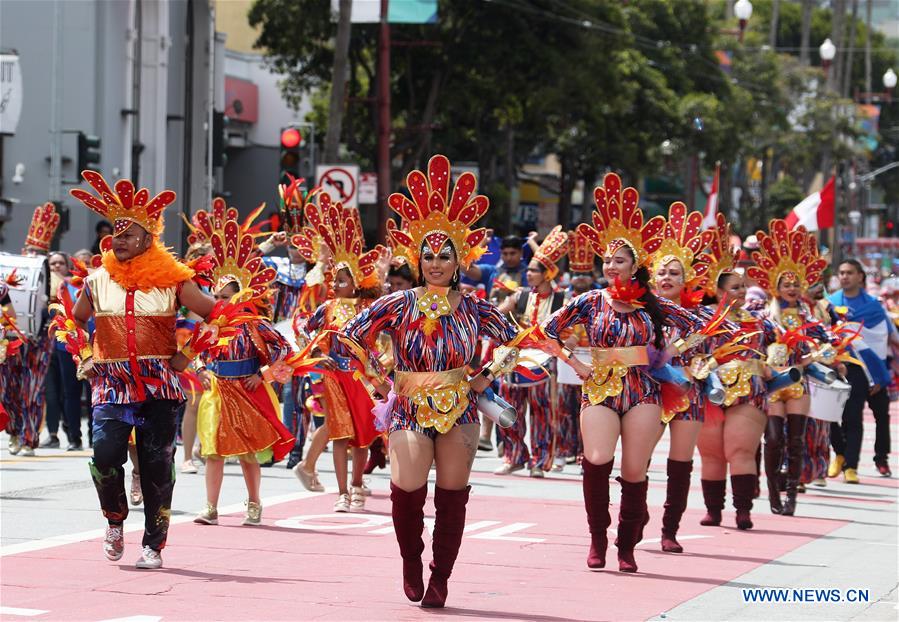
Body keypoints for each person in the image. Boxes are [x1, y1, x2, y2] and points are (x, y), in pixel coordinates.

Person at [341, 155, 528, 608]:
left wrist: (485, 377)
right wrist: (378, 381)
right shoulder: (400, 302)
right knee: (407, 489)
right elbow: (349, 337)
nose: (435, 263)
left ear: (459, 259)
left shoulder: (477, 305)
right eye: (427, 255)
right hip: (407, 406)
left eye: (445, 255)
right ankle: (411, 560)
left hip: (461, 407)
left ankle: (440, 577)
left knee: (452, 495)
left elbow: (514, 343)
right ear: (417, 258)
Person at [542, 173, 704, 573]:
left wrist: (669, 353)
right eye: (608, 260)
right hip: (598, 388)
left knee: (635, 469)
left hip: (643, 391)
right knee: (597, 459)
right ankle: (598, 537)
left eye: (620, 260)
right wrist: (575, 362)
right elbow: (546, 331)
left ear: (635, 266)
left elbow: (702, 327)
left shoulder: (653, 304)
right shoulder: (589, 300)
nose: (612, 266)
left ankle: (627, 545)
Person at [68, 170, 223, 569]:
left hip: (160, 385)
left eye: (128, 235)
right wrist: (83, 354)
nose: (118, 241)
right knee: (104, 457)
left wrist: (189, 354)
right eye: (115, 235)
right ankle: (115, 520)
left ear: (148, 239)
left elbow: (217, 314)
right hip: (112, 384)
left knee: (157, 465)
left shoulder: (174, 281)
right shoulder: (97, 280)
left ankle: (154, 543)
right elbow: (72, 321)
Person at [191, 205, 295, 526]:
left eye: (224, 288)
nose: (217, 292)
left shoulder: (253, 322)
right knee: (213, 451)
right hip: (217, 390)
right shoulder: (211, 320)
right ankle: (210, 507)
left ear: (239, 290)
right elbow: (198, 349)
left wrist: (261, 373)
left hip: (247, 392)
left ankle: (254, 502)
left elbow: (285, 350)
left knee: (249, 452)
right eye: (215, 288)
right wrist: (200, 367)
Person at [648, 204, 740, 550]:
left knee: (681, 462)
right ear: (653, 277)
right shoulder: (643, 311)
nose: (667, 278)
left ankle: (669, 530)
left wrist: (706, 361)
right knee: (637, 460)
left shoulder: (700, 314)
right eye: (662, 272)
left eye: (675, 272)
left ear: (687, 279)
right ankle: (636, 514)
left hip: (689, 392)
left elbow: (731, 335)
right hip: (649, 392)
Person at [295, 196, 382, 512]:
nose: (336, 283)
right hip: (333, 376)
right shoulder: (326, 308)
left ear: (357, 284)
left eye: (342, 279)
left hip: (360, 377)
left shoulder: (366, 308)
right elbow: (304, 329)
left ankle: (358, 486)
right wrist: (319, 354)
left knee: (362, 435)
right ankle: (343, 492)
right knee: (341, 434)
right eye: (334, 279)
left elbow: (378, 337)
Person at [747, 219, 835, 516]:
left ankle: (792, 499)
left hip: (798, 382)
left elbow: (831, 337)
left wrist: (821, 352)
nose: (792, 288)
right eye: (786, 284)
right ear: (775, 286)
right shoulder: (763, 315)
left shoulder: (810, 316)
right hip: (773, 384)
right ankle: (773, 493)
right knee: (773, 439)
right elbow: (750, 342)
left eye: (796, 283)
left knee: (796, 441)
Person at [694, 213, 776, 532]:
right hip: (710, 392)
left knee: (740, 449)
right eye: (735, 287)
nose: (742, 291)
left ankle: (743, 511)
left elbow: (784, 346)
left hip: (749, 393)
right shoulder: (698, 319)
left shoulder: (759, 319)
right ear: (717, 290)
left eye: (744, 286)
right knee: (712, 455)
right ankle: (714, 510)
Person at [494, 226, 568, 477]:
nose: (528, 274)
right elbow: (495, 315)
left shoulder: (562, 301)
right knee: (509, 410)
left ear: (547, 274)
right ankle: (513, 456)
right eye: (528, 270)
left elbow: (573, 330)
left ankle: (539, 461)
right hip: (515, 362)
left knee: (542, 414)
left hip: (545, 365)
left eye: (534, 270)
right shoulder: (520, 296)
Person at [827, 259, 895, 480]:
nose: (845, 276)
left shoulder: (874, 307)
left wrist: (879, 375)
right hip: (847, 368)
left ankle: (881, 458)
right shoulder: (830, 305)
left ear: (860, 277)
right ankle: (848, 463)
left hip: (876, 370)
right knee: (849, 417)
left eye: (849, 273)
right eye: (842, 272)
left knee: (881, 416)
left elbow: (884, 338)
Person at [5, 202, 59, 456]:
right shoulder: (12, 274)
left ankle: (29, 437)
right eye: (30, 250)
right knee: (10, 388)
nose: (33, 254)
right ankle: (14, 431)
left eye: (38, 251)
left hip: (40, 340)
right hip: (13, 337)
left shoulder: (53, 278)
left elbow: (64, 312)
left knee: (32, 389)